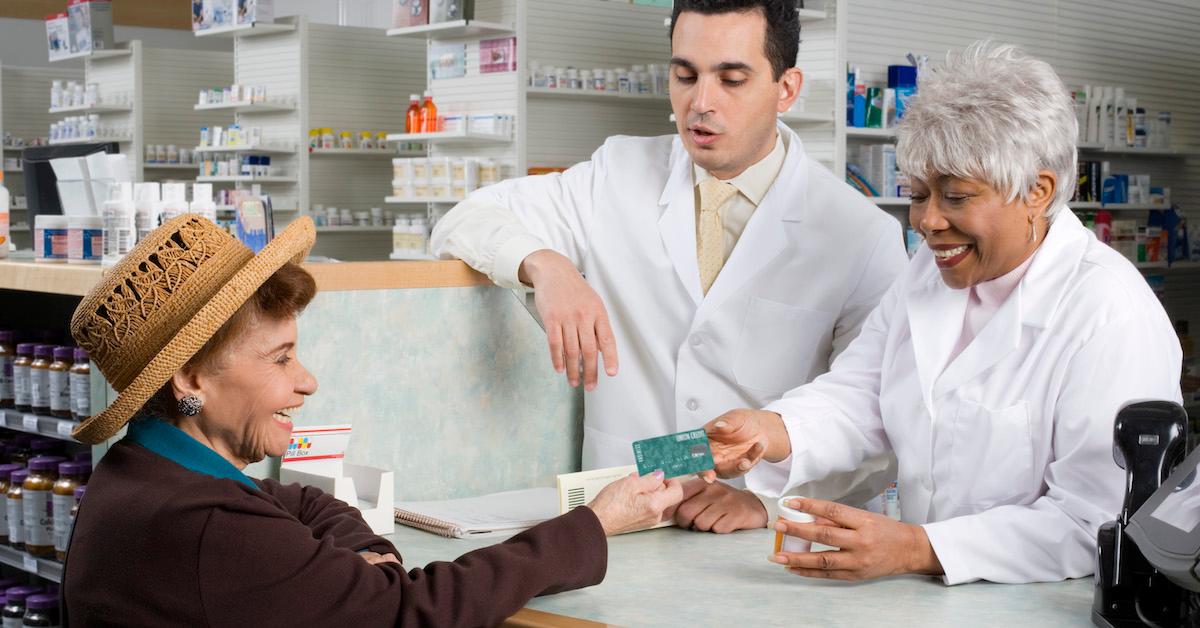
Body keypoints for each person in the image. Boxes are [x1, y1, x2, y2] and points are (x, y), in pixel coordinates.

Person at [700, 42, 1184, 585]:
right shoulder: (929, 276)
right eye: (919, 193)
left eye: (955, 198)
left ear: (1037, 192)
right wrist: (772, 429)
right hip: (928, 600)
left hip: (1045, 607)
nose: (927, 221)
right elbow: (861, 394)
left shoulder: (1109, 314)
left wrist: (918, 547)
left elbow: (1095, 522)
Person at [63, 215, 684, 626]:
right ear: (191, 378)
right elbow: (414, 614)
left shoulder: (146, 471)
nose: (306, 381)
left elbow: (302, 504)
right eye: (280, 358)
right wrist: (594, 523)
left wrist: (371, 559)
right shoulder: (209, 527)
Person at [431, 0, 906, 533]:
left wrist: (768, 503)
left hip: (757, 543)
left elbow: (879, 418)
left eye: (731, 80)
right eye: (685, 76)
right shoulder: (618, 172)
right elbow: (465, 218)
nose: (700, 103)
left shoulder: (861, 234)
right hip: (616, 528)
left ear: (787, 88)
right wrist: (546, 265)